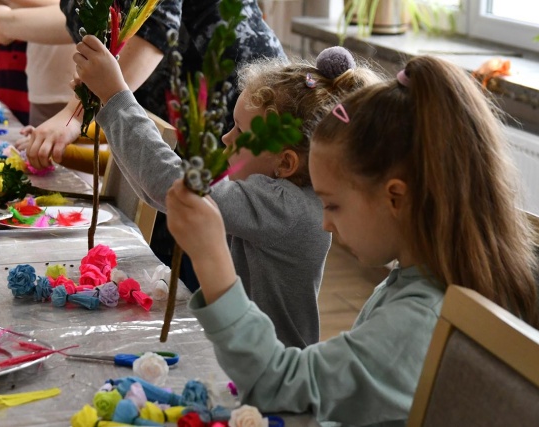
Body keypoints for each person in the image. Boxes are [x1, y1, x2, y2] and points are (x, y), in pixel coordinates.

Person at [164, 55, 539, 426]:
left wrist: (212, 259)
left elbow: (277, 384)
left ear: (395, 198)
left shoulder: (418, 320)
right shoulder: (415, 282)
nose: (326, 224)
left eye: (332, 205)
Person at [72, 37, 380, 348]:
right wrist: (109, 102)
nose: (226, 137)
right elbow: (160, 191)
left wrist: (116, 96)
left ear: (285, 163)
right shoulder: (284, 194)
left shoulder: (286, 208)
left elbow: (171, 185)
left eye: (240, 131)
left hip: (270, 366)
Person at [24, 0, 287, 292]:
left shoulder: (269, 200)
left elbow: (154, 33)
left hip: (225, 94)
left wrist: (104, 98)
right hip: (202, 106)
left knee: (194, 253)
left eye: (235, 132)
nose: (228, 137)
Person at [0, 1, 76, 127]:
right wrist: (7, 23)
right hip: (41, 87)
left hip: (76, 91)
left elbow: (76, 12)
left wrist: (7, 23)